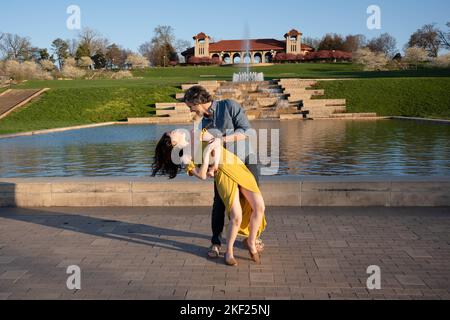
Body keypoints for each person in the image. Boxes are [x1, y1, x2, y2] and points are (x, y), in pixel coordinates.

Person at [152, 128, 267, 266]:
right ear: (173, 143)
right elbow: (202, 175)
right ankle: (229, 252)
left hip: (237, 166)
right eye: (170, 133)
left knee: (259, 207)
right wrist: (207, 154)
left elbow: (217, 144)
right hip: (223, 176)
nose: (175, 130)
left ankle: (251, 241)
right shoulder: (184, 157)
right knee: (237, 216)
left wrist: (215, 164)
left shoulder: (197, 133)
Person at [183, 86, 265, 259]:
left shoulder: (229, 106)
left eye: (191, 105)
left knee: (253, 203)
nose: (190, 109)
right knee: (219, 204)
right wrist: (195, 166)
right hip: (223, 167)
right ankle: (216, 243)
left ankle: (253, 238)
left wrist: (221, 140)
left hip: (246, 161)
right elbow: (203, 150)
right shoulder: (203, 123)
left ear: (199, 101)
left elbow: (246, 131)